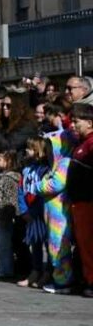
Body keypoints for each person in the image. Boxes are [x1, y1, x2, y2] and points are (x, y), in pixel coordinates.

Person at [36, 123, 74, 294]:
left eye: (52, 147)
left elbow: (56, 184)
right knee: (53, 245)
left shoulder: (64, 163)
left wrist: (39, 185)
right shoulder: (55, 165)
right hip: (51, 213)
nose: (49, 151)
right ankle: (59, 278)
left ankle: (63, 281)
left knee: (59, 246)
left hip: (60, 214)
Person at [17, 137, 52, 290]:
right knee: (35, 244)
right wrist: (23, 209)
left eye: (30, 148)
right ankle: (35, 270)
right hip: (29, 214)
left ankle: (48, 272)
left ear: (40, 152)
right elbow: (20, 191)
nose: (26, 151)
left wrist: (35, 211)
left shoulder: (47, 171)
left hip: (41, 213)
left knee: (48, 244)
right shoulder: (26, 170)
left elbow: (43, 193)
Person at [65, 103, 93, 298]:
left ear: (90, 123)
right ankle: (87, 278)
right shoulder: (81, 143)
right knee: (83, 244)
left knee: (89, 243)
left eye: (76, 121)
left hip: (88, 201)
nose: (72, 125)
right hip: (79, 202)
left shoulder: (91, 144)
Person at [0, 149, 21, 279]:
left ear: (8, 161)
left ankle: (6, 269)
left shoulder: (9, 178)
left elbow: (10, 199)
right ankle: (2, 267)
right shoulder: (1, 175)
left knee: (4, 242)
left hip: (4, 213)